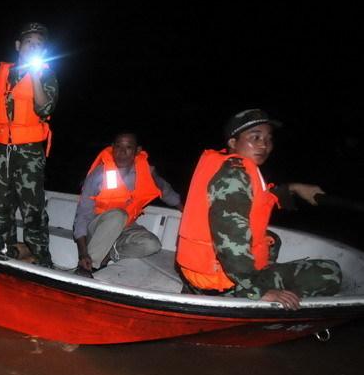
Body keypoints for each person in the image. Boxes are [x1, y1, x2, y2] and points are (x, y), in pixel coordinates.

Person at [176, 109, 342, 309]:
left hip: (198, 274)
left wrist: (293, 188)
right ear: (233, 142)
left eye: (268, 139)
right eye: (255, 137)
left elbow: (257, 198)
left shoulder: (225, 165)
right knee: (330, 272)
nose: (264, 145)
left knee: (272, 240)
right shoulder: (235, 177)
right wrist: (257, 291)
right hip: (223, 285)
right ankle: (252, 296)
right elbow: (230, 244)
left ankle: (223, 286)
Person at [0, 23, 58, 266]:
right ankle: (5, 253)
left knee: (32, 211)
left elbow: (45, 108)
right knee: (1, 209)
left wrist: (34, 74)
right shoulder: (0, 75)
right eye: (29, 42)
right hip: (2, 152)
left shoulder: (46, 75)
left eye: (39, 44)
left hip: (30, 154)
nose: (33, 47)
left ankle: (41, 259)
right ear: (18, 45)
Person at [74, 133, 183, 277]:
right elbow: (82, 215)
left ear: (137, 151)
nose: (122, 152)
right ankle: (87, 267)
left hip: (125, 226)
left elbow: (167, 192)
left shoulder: (147, 172)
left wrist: (185, 211)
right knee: (119, 215)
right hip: (96, 228)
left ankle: (111, 254)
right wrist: (82, 253)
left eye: (128, 147)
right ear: (112, 148)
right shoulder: (99, 174)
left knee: (152, 245)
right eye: (118, 146)